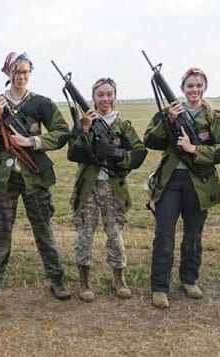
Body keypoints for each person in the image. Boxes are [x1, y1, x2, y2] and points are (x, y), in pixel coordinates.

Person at [0, 51, 71, 311]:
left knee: (43, 230)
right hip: (4, 180)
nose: (21, 76)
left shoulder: (41, 103)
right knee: (1, 233)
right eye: (16, 71)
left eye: (25, 71)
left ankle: (57, 280)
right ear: (7, 73)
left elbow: (62, 133)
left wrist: (33, 142)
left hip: (35, 177)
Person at [143, 68, 220, 308]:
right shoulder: (169, 113)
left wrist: (196, 150)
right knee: (164, 235)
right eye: (189, 86)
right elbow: (150, 140)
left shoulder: (214, 118)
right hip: (170, 182)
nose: (194, 90)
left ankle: (189, 279)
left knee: (193, 235)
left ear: (204, 88)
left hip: (199, 183)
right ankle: (160, 286)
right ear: (182, 89)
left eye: (198, 86)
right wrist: (169, 122)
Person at [67, 77, 147, 302]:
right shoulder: (84, 121)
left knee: (114, 235)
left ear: (114, 96)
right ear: (93, 98)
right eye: (100, 95)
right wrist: (84, 129)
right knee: (85, 235)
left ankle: (120, 279)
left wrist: (117, 154)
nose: (105, 99)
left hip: (113, 187)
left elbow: (139, 153)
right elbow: (72, 153)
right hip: (88, 187)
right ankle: (84, 283)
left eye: (109, 94)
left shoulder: (123, 125)